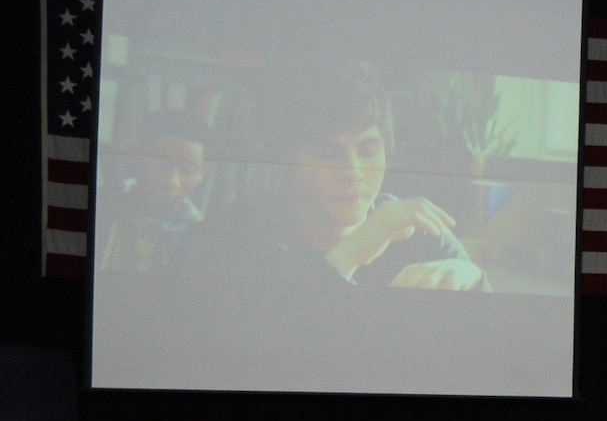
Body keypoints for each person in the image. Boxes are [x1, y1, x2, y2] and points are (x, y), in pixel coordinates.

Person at [197, 61, 488, 291]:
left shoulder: (421, 231)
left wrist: (472, 279)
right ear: (285, 161)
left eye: (368, 150)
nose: (352, 172)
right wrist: (351, 253)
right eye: (327, 153)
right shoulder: (231, 237)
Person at [97, 108, 210, 274]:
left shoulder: (201, 234)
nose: (172, 180)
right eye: (163, 165)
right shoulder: (102, 204)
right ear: (139, 158)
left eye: (187, 169)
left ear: (203, 172)